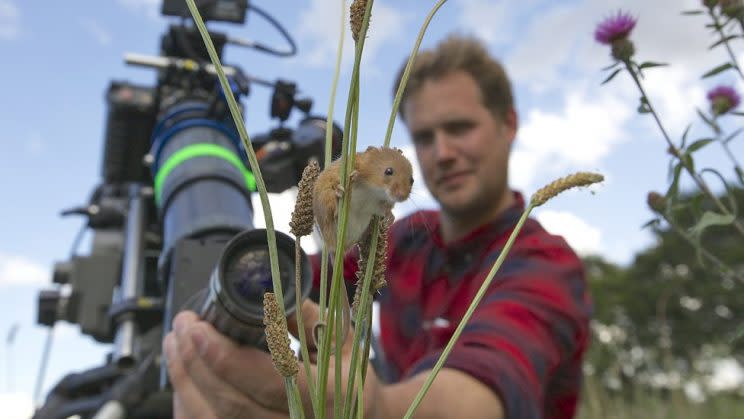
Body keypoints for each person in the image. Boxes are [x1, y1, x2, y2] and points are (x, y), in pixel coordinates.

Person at [163, 33, 591, 419]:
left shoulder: (545, 264)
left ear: (508, 124)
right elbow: (302, 274)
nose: (442, 153)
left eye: (460, 128)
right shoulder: (401, 240)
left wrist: (371, 406)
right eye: (424, 137)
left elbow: (489, 386)